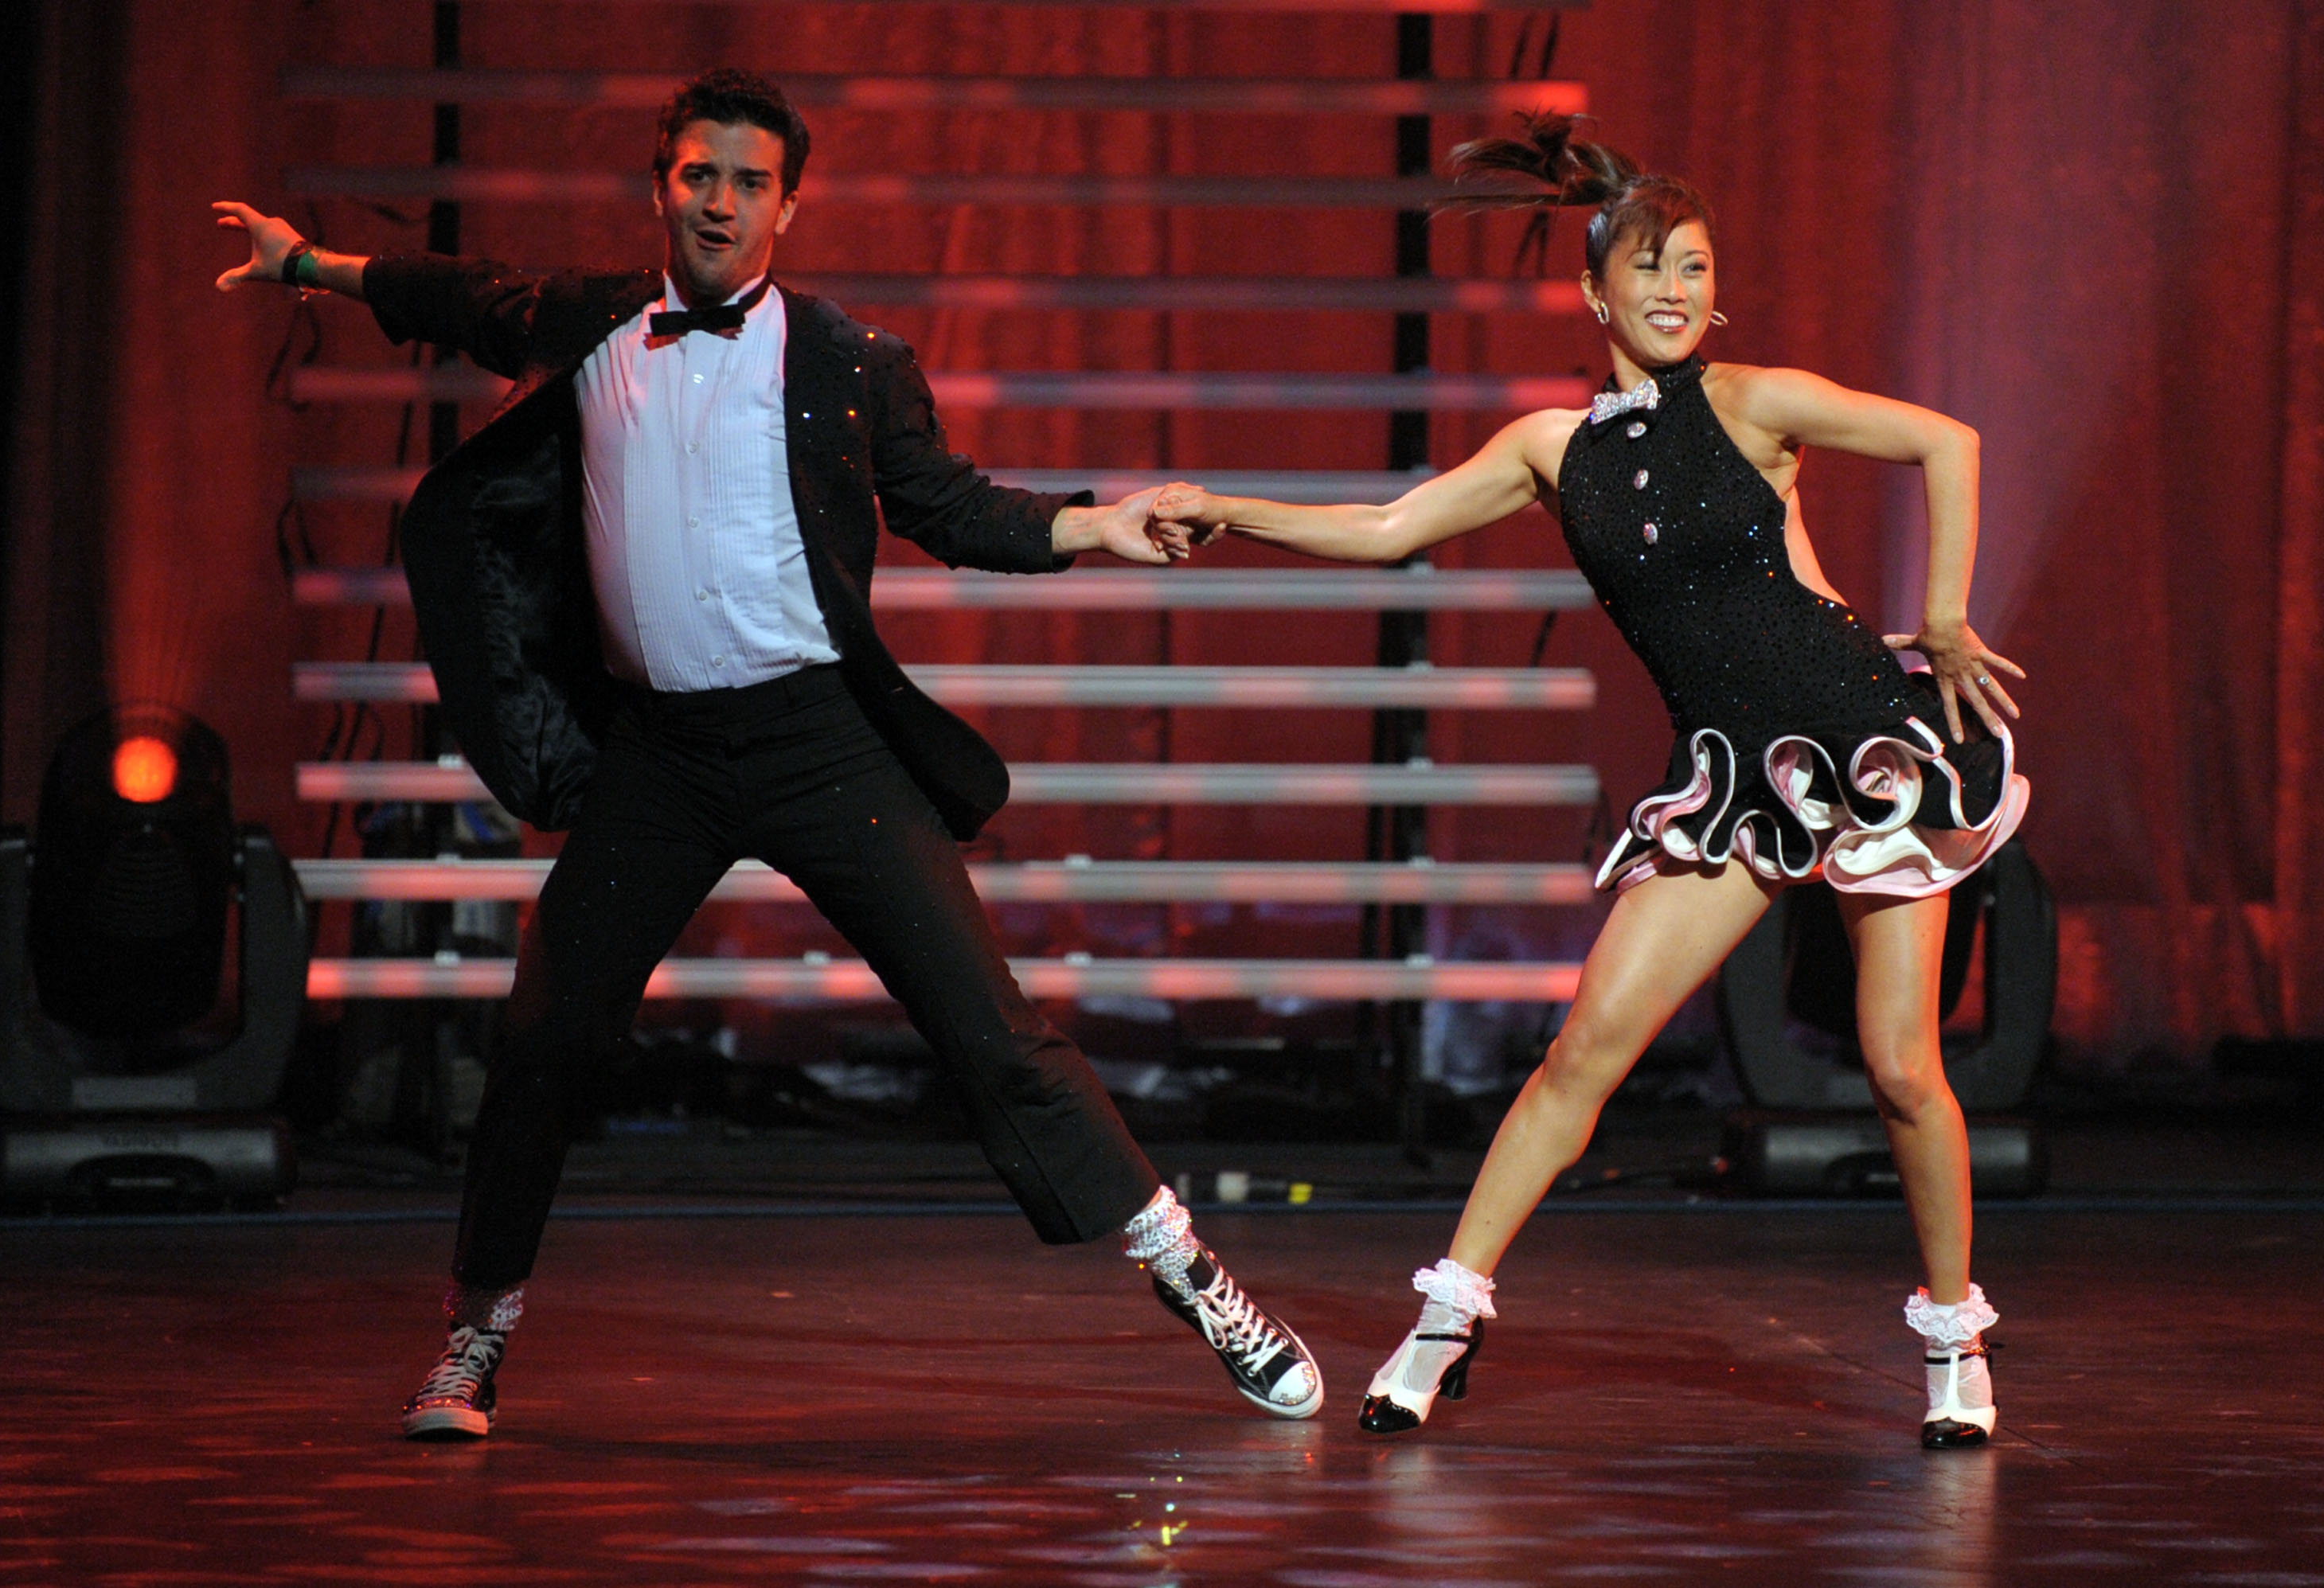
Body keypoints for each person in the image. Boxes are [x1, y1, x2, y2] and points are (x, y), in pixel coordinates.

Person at [213, 67, 1320, 1438]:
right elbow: (462, 295)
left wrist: (1100, 522)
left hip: (820, 741)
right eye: (697, 175)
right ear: (662, 186)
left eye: (747, 182)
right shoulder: (601, 323)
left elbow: (954, 509)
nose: (720, 201)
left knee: (992, 1032)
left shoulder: (851, 365)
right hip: (661, 755)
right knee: (544, 1034)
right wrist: (308, 265)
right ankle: (474, 1342)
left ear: (787, 207)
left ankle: (1191, 1272)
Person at [1152, 112, 2027, 1449]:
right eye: (1652, 268)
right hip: (1731, 781)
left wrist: (1949, 617)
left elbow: (1947, 440)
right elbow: (1389, 532)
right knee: (1581, 1054)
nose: (1677, 292)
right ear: (1595, 293)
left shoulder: (1752, 402)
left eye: (1696, 269)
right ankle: (1445, 1321)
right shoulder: (1550, 452)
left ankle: (1955, 1347)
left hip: (1868, 749)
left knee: (1903, 1066)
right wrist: (1234, 507)